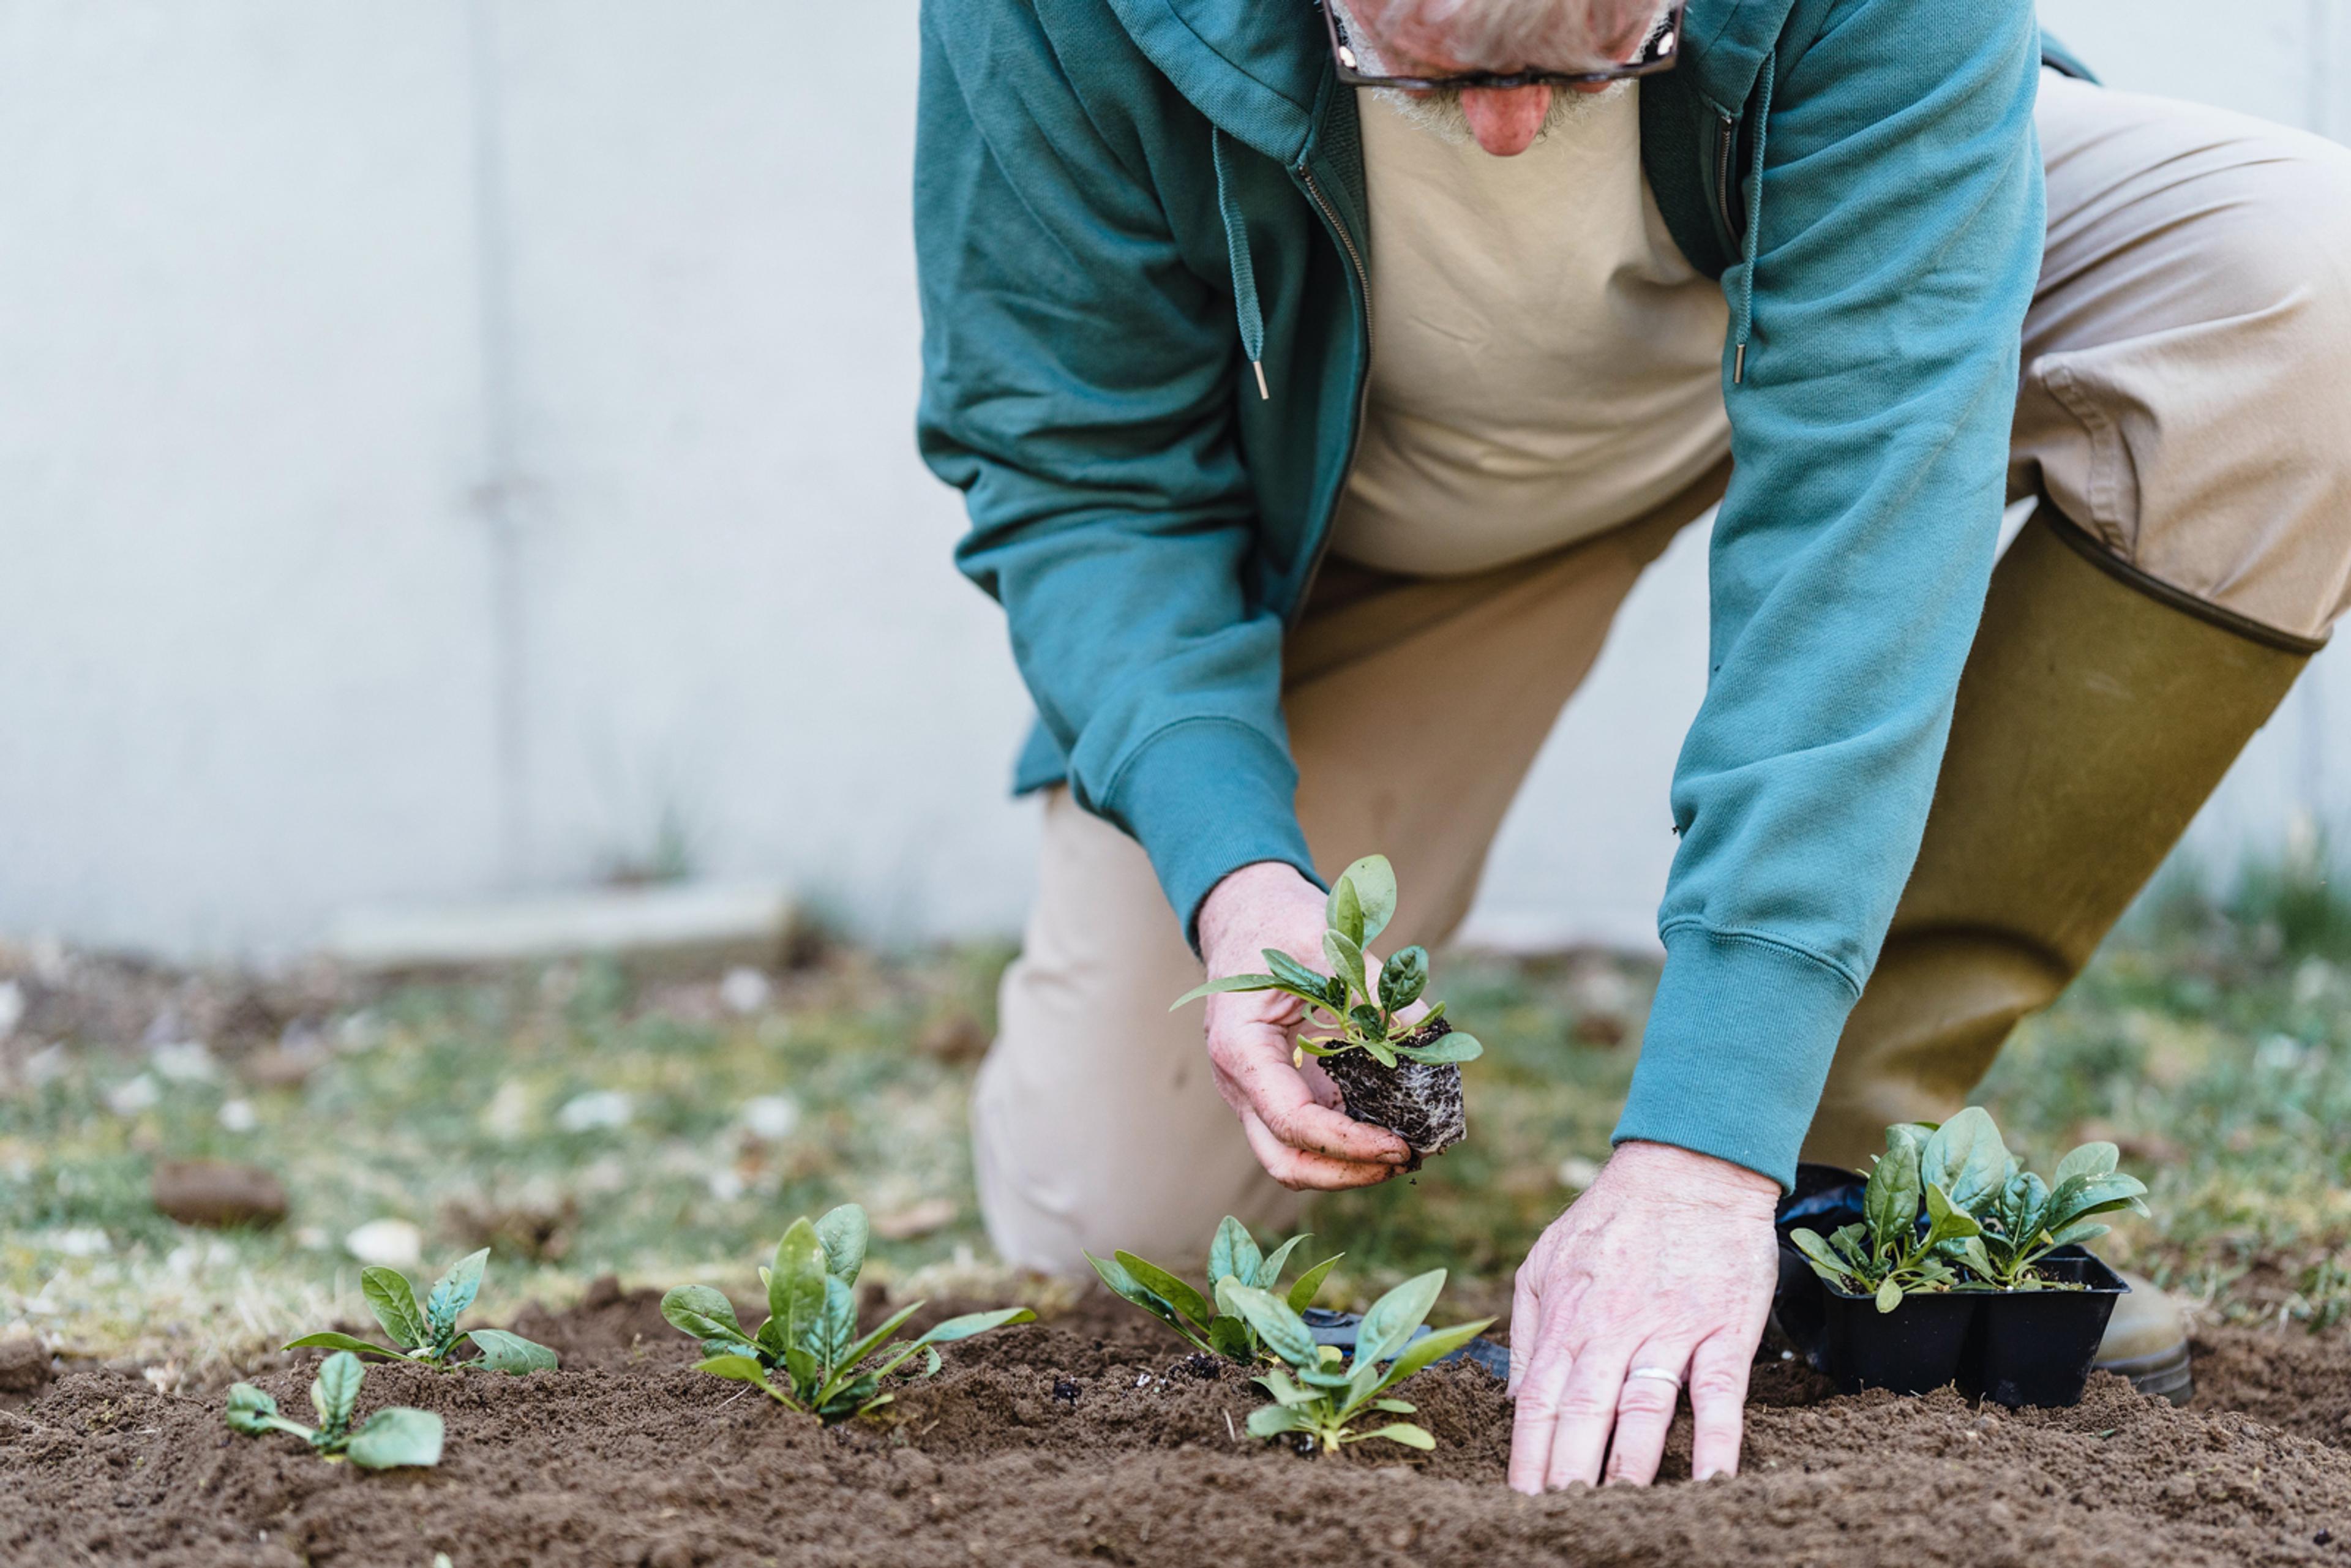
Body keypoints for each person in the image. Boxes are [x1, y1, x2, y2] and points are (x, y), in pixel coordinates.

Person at [914, 0, 2351, 1493]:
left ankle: (1824, 1155)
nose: (1513, 130)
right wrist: (1236, 875)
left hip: (1852, 283)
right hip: (1395, 490)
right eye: (1423, 69)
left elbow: (1861, 523)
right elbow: (1077, 470)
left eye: (1594, 57)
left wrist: (1705, 1144)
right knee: (1108, 1225)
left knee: (2304, 284)